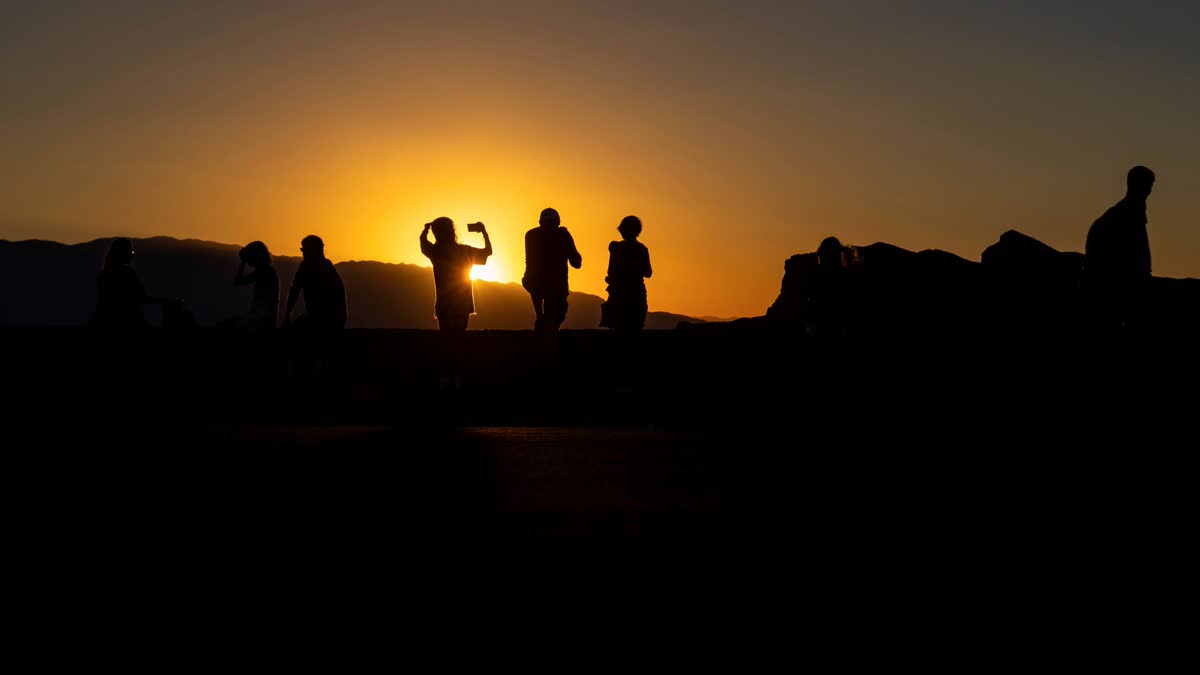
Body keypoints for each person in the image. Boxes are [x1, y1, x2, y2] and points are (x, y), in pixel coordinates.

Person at [1085, 166, 1155, 331]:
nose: (1149, 191)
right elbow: (1133, 257)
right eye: (1147, 186)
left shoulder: (1125, 214)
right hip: (1114, 289)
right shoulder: (1125, 216)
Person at [420, 217, 492, 335]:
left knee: (446, 340)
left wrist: (425, 231)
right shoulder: (464, 251)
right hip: (462, 304)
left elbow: (423, 244)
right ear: (452, 231)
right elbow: (488, 252)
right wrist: (484, 232)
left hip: (444, 304)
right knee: (460, 339)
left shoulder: (436, 252)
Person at [91, 238, 174, 330]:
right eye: (131, 252)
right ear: (124, 254)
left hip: (103, 322)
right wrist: (167, 302)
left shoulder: (103, 274)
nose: (132, 255)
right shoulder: (128, 273)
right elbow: (142, 297)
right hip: (131, 323)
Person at [522, 207, 582, 332]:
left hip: (545, 285)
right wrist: (566, 239)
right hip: (554, 286)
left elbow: (530, 269)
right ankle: (545, 328)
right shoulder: (561, 235)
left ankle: (542, 324)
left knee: (552, 318)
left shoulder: (531, 235)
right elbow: (576, 263)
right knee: (554, 319)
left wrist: (539, 315)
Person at [600, 215, 653, 332]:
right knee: (635, 328)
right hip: (636, 294)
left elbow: (610, 271)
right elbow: (648, 273)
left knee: (618, 328)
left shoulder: (616, 247)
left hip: (620, 295)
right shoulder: (642, 249)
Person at [283, 235, 347, 330]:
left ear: (313, 250)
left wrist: (287, 314)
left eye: (304, 250)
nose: (303, 253)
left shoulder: (310, 266)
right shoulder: (327, 266)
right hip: (334, 318)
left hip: (325, 318)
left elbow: (295, 290)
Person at [233, 241, 279, 332]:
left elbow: (238, 281)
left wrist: (243, 262)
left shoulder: (264, 272)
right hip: (262, 319)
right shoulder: (266, 271)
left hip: (261, 321)